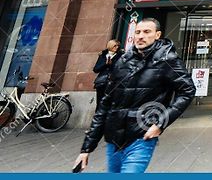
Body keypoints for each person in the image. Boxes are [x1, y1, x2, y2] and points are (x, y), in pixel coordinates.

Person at [75, 18, 195, 173]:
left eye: (146, 32)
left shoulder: (167, 60)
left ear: (157, 35)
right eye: (137, 32)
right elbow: (105, 104)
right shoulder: (122, 61)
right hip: (113, 138)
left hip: (141, 135)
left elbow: (187, 90)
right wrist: (86, 148)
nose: (140, 36)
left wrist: (160, 123)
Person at [92, 39, 123, 112]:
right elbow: (96, 69)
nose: (117, 47)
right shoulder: (103, 55)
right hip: (102, 83)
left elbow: (120, 68)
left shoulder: (120, 55)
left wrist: (111, 64)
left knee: (111, 103)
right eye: (115, 46)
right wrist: (105, 64)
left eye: (118, 46)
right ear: (110, 46)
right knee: (100, 103)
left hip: (113, 83)